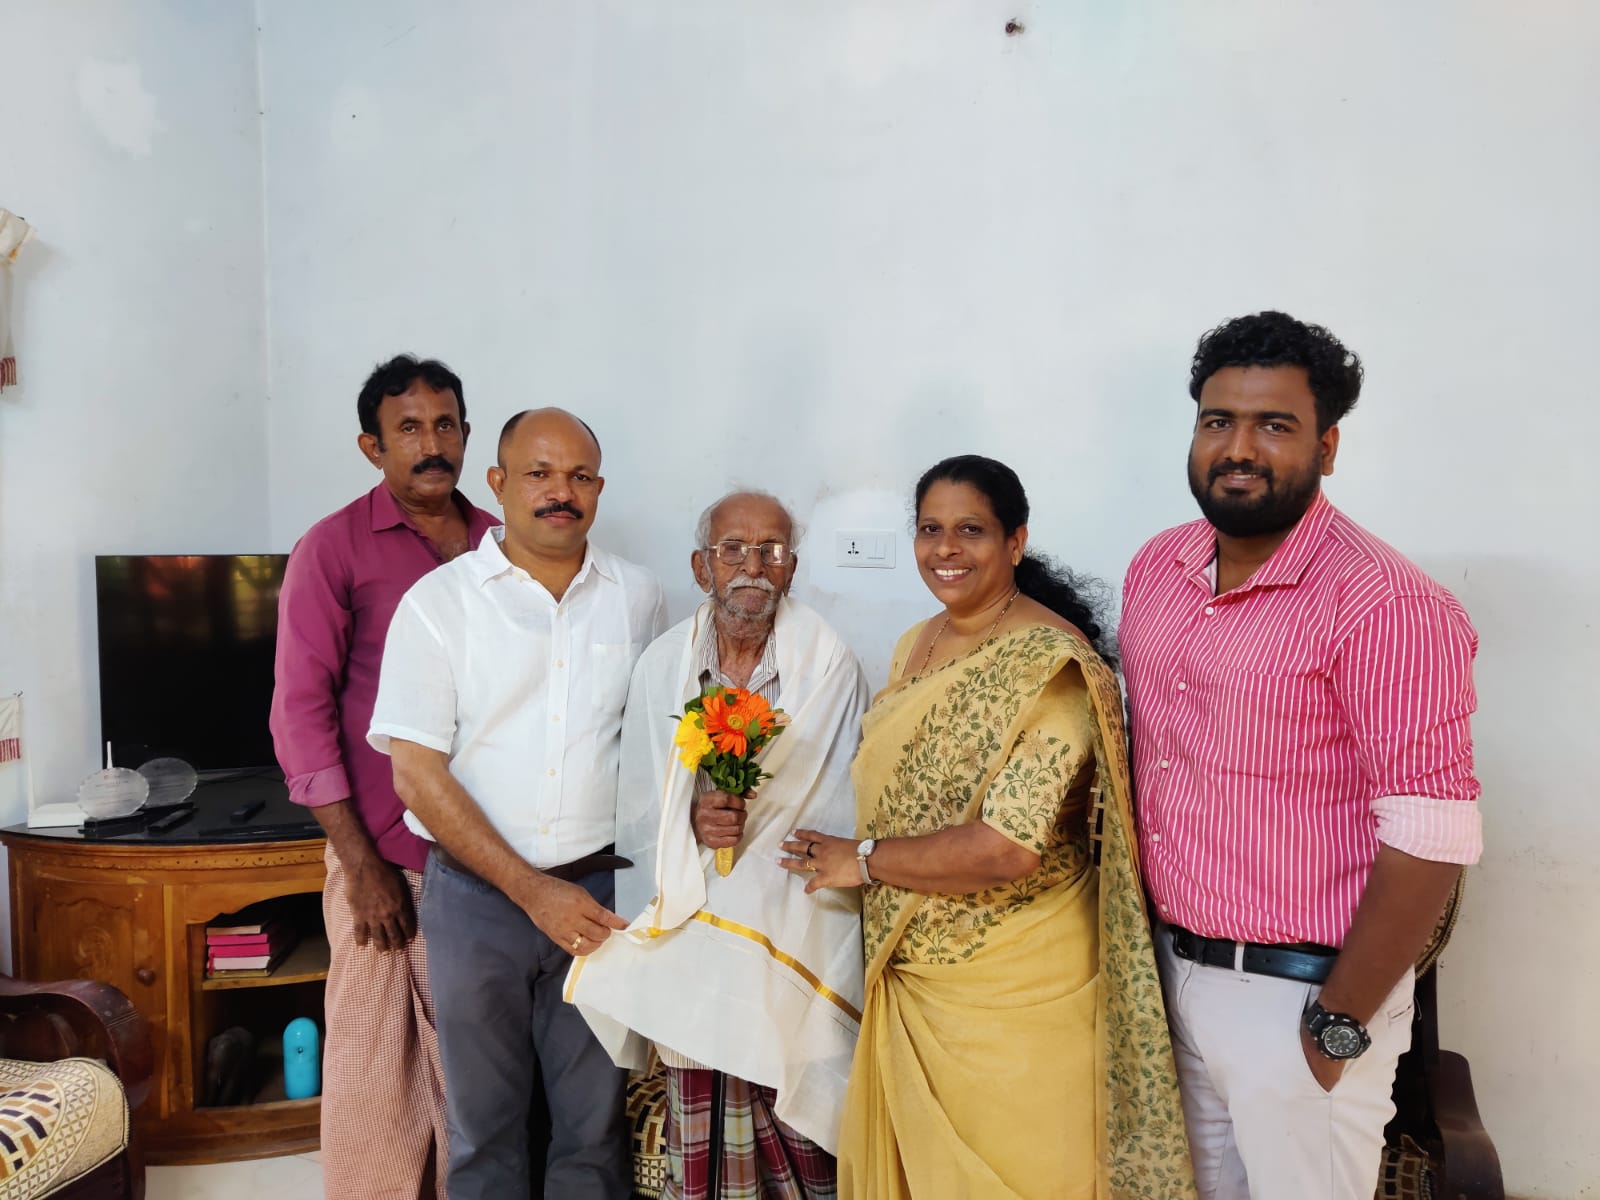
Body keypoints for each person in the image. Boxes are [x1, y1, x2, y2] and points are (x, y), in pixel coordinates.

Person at [1120, 311, 1483, 1200]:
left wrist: (1337, 1027)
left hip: (1300, 999)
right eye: (1218, 421)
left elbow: (1432, 838)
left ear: (1326, 447)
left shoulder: (1387, 605)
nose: (1239, 448)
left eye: (1274, 425)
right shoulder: (1157, 570)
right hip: (1169, 974)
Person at [787, 456, 1195, 1200]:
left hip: (1021, 991)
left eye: (970, 530)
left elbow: (1007, 847)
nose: (946, 549)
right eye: (930, 530)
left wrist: (864, 860)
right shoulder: (916, 643)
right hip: (914, 975)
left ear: (1016, 541)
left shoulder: (1054, 667)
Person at [368, 408, 667, 1200]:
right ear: (497, 484)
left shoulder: (638, 598)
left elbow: (653, 746)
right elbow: (417, 776)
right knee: (484, 1129)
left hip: (599, 899)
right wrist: (531, 891)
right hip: (476, 904)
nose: (560, 492)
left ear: (599, 489)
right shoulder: (439, 605)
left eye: (579, 476)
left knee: (593, 1128)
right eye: (539, 473)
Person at [570, 491, 870, 1200]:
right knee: (701, 1073)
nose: (752, 567)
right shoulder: (663, 664)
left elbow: (833, 800)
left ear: (791, 567)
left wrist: (753, 836)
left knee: (796, 1092)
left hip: (791, 915)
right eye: (733, 550)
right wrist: (692, 820)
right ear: (701, 566)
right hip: (692, 924)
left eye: (771, 551)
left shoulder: (829, 662)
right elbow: (642, 808)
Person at [270, 354, 497, 1200]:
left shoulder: (500, 543)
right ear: (372, 446)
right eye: (408, 429)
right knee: (377, 1076)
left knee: (476, 1071)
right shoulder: (332, 548)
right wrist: (361, 864)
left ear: (467, 435)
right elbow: (300, 713)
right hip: (384, 854)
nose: (431, 444)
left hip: (488, 856)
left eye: (445, 425)